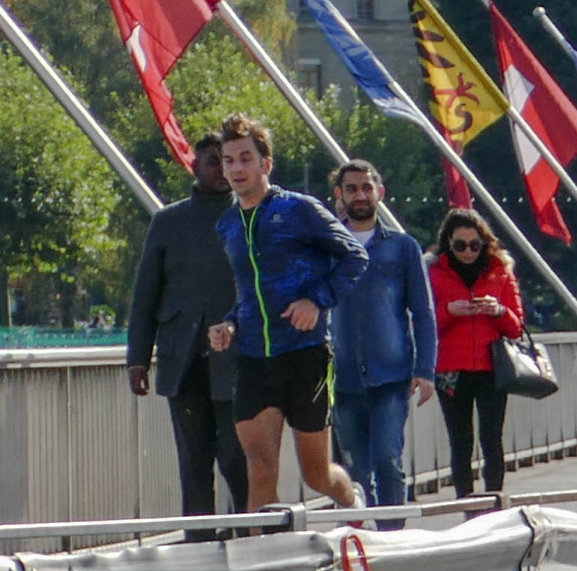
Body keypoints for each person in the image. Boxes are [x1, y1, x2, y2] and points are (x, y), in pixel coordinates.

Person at [202, 113, 365, 514]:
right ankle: (264, 557)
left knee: (316, 475)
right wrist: (230, 324)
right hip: (255, 358)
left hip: (305, 354)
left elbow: (355, 258)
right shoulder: (228, 225)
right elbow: (248, 292)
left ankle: (354, 502)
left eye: (244, 158)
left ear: (265, 165)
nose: (236, 168)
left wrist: (317, 301)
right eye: (228, 160)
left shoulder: (300, 210)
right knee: (259, 468)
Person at [124, 132, 249, 530]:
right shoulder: (168, 221)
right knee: (194, 462)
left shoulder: (251, 215)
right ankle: (199, 545)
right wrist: (138, 358)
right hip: (183, 361)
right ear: (193, 165)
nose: (222, 169)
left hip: (239, 362)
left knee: (237, 458)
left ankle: (250, 536)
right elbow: (145, 295)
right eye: (214, 161)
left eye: (228, 161)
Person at [325, 162, 435, 527]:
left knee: (388, 457)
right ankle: (363, 540)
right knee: (354, 468)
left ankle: (393, 535)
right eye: (351, 188)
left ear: (379, 193)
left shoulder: (402, 247)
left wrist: (425, 370)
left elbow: (422, 311)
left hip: (390, 373)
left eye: (366, 188)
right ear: (339, 195)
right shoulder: (327, 247)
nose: (360, 195)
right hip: (341, 376)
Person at [428, 209, 525, 498]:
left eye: (474, 245)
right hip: (450, 369)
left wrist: (497, 310)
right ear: (448, 243)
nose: (467, 251)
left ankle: (495, 499)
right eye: (459, 245)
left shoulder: (500, 271)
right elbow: (422, 323)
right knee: (460, 441)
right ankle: (465, 504)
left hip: (491, 368)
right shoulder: (433, 273)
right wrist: (448, 311)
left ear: (484, 244)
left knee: (492, 438)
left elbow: (517, 326)